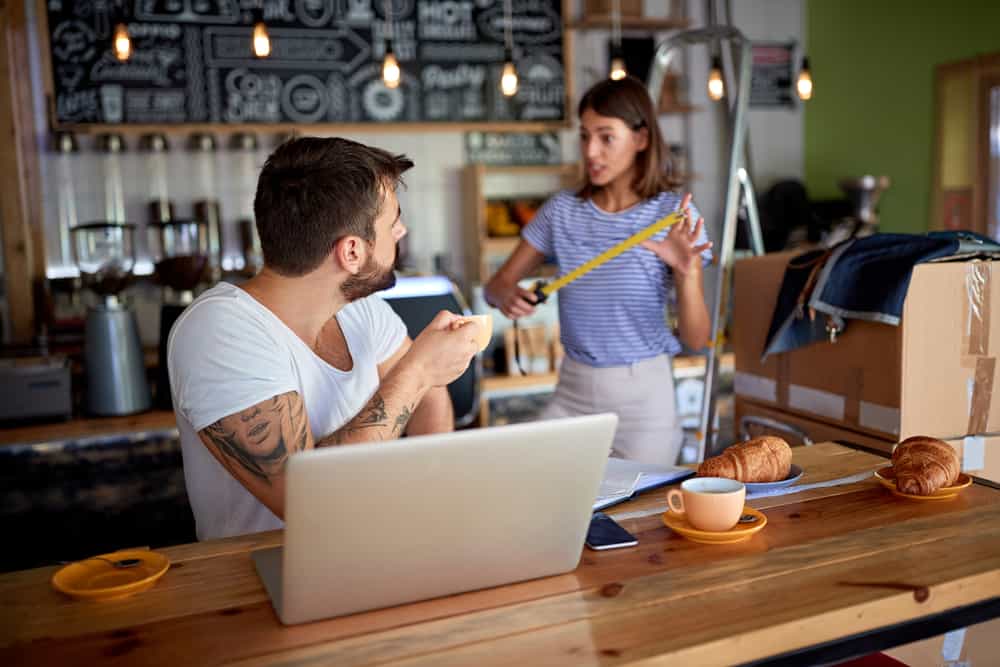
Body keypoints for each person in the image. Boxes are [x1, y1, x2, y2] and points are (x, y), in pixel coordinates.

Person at [168, 137, 481, 540]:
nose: (401, 231)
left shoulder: (359, 307)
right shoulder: (219, 331)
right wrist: (419, 372)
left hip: (379, 557)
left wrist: (430, 507)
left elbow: (429, 401)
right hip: (261, 584)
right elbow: (306, 501)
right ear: (351, 251)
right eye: (392, 222)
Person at [484, 76, 712, 467]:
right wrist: (508, 295)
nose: (591, 150)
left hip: (645, 400)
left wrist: (688, 273)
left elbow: (697, 339)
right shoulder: (561, 211)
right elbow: (495, 286)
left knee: (639, 519)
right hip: (572, 389)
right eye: (585, 136)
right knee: (531, 485)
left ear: (641, 139)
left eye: (607, 137)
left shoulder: (672, 217)